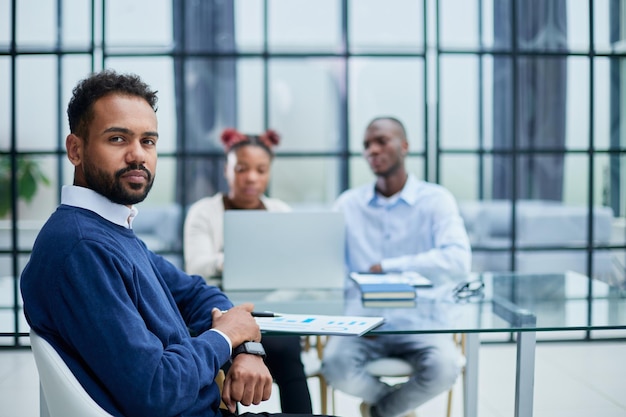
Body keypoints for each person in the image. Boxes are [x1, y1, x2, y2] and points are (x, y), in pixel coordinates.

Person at [20, 69, 332, 417]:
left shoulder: (111, 231)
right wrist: (224, 339)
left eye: (148, 141)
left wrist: (244, 347)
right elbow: (156, 389)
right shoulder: (81, 248)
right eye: (118, 139)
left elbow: (197, 292)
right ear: (76, 149)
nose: (138, 155)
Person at [321, 117, 472, 417]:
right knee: (335, 366)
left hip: (421, 322)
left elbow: (458, 260)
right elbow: (329, 269)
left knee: (445, 368)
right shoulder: (348, 204)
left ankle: (380, 412)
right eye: (366, 145)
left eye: (381, 141)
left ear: (404, 146)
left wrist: (389, 267)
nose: (372, 150)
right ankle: (394, 407)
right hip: (364, 325)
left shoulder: (436, 200)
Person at [183, 128, 313, 413]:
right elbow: (197, 266)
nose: (252, 178)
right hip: (220, 311)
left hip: (272, 310)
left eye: (260, 170)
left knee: (287, 351)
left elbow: (296, 270)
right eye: (242, 169)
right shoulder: (204, 212)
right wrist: (244, 259)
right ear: (227, 170)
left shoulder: (280, 211)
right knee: (228, 352)